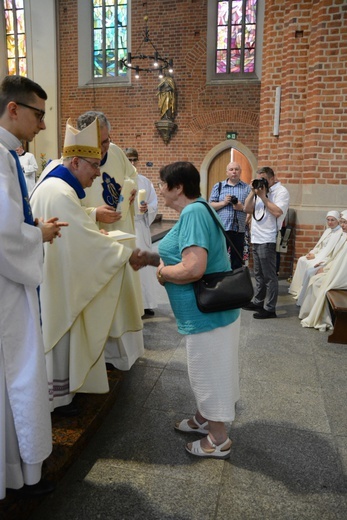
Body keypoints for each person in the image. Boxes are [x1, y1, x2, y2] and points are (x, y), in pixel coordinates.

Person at [30, 118, 153, 415]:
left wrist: (89, 223)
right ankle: (58, 397)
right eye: (93, 165)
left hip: (59, 275)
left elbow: (75, 229)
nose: (98, 174)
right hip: (59, 283)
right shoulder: (59, 191)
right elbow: (79, 241)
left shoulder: (59, 186)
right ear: (74, 162)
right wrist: (123, 255)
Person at [0, 75, 67, 499]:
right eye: (39, 115)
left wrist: (31, 228)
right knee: (15, 370)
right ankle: (15, 469)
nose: (43, 125)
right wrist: (36, 237)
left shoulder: (8, 155)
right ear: (13, 109)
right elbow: (4, 236)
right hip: (6, 289)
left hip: (9, 281)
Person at [155, 161, 240, 459]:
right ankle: (204, 419)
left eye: (162, 183)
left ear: (178, 187)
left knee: (207, 373)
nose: (159, 189)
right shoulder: (201, 206)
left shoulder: (192, 212)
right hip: (213, 313)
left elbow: (193, 268)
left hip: (206, 314)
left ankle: (218, 440)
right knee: (213, 368)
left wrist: (164, 273)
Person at [76, 111, 145, 372]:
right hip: (96, 242)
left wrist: (130, 194)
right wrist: (94, 214)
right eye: (100, 143)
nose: (105, 148)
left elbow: (132, 175)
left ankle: (126, 354)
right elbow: (65, 208)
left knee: (123, 296)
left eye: (107, 140)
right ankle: (103, 357)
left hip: (121, 234)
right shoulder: (72, 161)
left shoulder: (115, 152)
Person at [243, 166, 290, 319]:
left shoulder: (281, 191)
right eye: (259, 179)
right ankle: (258, 301)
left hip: (267, 238)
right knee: (258, 274)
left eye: (264, 179)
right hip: (256, 237)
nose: (261, 182)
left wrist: (263, 196)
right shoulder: (259, 191)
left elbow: (277, 212)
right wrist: (253, 191)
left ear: (272, 178)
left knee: (269, 276)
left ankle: (270, 308)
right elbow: (247, 209)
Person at [299, 211, 347, 331]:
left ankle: (323, 317)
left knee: (317, 283)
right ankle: (310, 313)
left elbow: (343, 267)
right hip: (337, 273)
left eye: (345, 223)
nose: (343, 226)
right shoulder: (344, 237)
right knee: (315, 277)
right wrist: (325, 265)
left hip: (341, 278)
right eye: (342, 222)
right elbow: (336, 259)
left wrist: (325, 269)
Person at [125, 147, 158, 316]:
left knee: (144, 267)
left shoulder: (145, 181)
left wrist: (147, 209)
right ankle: (130, 304)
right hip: (125, 226)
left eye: (134, 160)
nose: (132, 163)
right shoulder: (119, 179)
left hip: (140, 226)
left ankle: (146, 303)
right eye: (128, 160)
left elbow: (154, 203)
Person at [289, 211, 342, 299]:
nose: (330, 222)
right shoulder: (328, 230)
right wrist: (312, 252)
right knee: (302, 259)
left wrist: (316, 257)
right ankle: (296, 289)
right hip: (318, 254)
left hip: (325, 258)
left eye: (332, 220)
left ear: (338, 221)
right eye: (328, 220)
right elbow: (319, 245)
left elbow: (331, 253)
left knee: (310, 265)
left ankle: (303, 294)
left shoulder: (340, 233)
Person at [209, 161, 251, 269]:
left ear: (240, 172)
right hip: (222, 228)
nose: (234, 172)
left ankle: (236, 282)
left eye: (236, 169)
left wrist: (241, 207)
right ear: (227, 172)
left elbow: (251, 209)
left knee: (237, 260)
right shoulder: (218, 186)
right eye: (231, 169)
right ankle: (220, 281)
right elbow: (211, 205)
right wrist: (223, 203)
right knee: (219, 257)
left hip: (238, 229)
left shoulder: (247, 188)